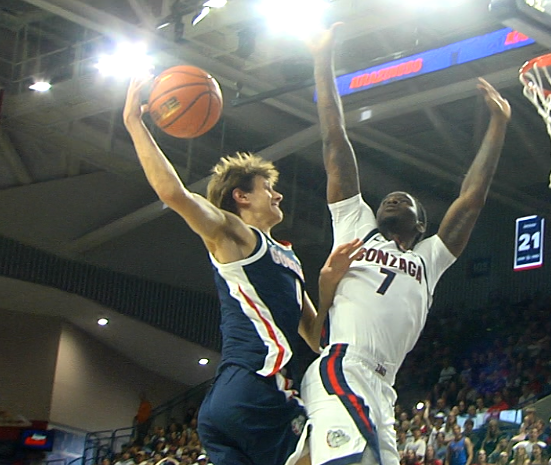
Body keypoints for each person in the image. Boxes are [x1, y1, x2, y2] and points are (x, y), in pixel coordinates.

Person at [291, 22, 511, 465]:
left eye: (405, 200)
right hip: (343, 366)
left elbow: (470, 200)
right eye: (388, 197)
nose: (392, 197)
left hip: (383, 388)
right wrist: (322, 58)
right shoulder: (354, 223)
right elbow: (336, 142)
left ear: (422, 223)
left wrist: (498, 125)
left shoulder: (430, 258)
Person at [123, 76, 359, 465]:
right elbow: (174, 194)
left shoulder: (287, 257)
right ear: (241, 196)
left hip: (226, 400)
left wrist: (327, 283)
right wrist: (135, 123)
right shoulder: (236, 236)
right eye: (269, 188)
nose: (278, 194)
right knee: (336, 451)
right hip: (259, 388)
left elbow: (316, 339)